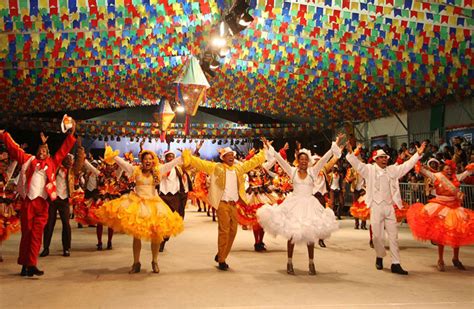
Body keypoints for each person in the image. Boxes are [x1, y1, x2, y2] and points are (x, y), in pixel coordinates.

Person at [257, 135, 343, 275]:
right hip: (294, 204)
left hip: (310, 205)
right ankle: (289, 262)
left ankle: (311, 263)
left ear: (308, 161)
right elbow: (279, 159)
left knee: (310, 236)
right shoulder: (292, 171)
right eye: (301, 159)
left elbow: (324, 159)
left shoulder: (313, 171)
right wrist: (268, 146)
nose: (303, 161)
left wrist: (336, 143)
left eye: (305, 159)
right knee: (292, 235)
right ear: (298, 160)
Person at [0, 123, 77, 277]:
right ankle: (25, 264)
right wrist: (3, 134)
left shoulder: (52, 163)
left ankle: (32, 264)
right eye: (41, 150)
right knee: (27, 234)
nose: (42, 152)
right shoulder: (29, 160)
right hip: (29, 202)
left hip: (43, 204)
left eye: (45, 150)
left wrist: (72, 134)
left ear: (48, 153)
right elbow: (15, 150)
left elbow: (63, 151)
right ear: (37, 151)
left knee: (36, 235)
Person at [95, 146, 184, 274]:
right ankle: (136, 263)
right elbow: (123, 163)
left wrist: (183, 156)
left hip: (155, 206)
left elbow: (171, 164)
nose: (148, 161)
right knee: (136, 236)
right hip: (137, 205)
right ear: (142, 160)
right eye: (145, 159)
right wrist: (113, 156)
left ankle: (155, 261)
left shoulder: (158, 170)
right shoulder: (135, 170)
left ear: (153, 161)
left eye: (150, 159)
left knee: (156, 236)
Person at [181, 145, 270, 271]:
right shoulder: (217, 168)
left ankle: (221, 254)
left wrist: (263, 152)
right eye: (229, 156)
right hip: (222, 204)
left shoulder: (238, 168)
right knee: (224, 231)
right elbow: (201, 164)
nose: (231, 158)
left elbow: (252, 162)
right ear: (223, 158)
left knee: (233, 231)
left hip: (234, 204)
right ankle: (222, 259)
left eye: (232, 156)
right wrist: (188, 156)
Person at [345, 141, 426, 275]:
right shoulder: (369, 169)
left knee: (393, 236)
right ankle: (379, 255)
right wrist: (350, 152)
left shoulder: (392, 170)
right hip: (376, 206)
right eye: (381, 158)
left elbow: (407, 165)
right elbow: (356, 164)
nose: (384, 159)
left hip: (389, 207)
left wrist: (417, 154)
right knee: (377, 237)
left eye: (385, 157)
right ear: (376, 159)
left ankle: (396, 263)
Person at [407, 161, 474, 271]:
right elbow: (424, 171)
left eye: (450, 169)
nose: (449, 171)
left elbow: (467, 173)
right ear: (443, 169)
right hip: (441, 208)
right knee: (441, 235)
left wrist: (471, 167)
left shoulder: (456, 177)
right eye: (447, 169)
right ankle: (440, 260)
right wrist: (417, 161)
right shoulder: (436, 177)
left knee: (456, 233)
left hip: (455, 208)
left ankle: (456, 258)